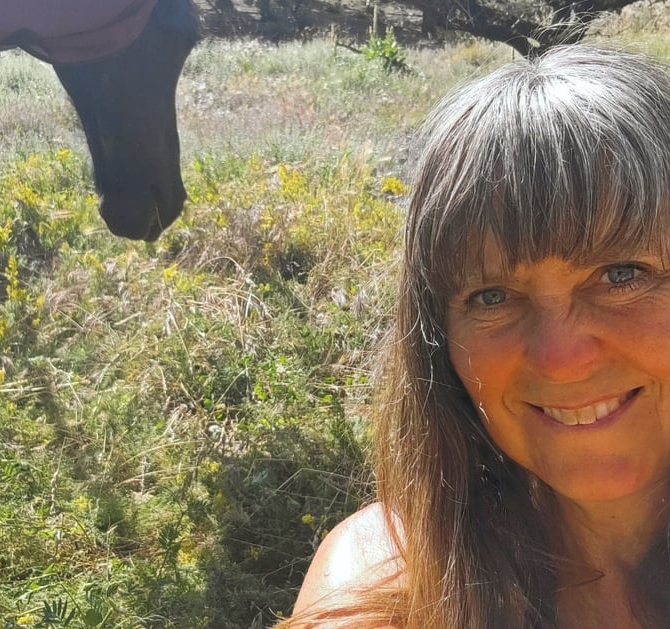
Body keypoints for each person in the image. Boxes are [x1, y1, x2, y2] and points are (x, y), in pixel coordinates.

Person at [275, 44, 670, 628]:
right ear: (439, 339)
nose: (560, 359)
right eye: (492, 297)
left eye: (621, 275)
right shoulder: (382, 598)